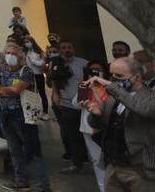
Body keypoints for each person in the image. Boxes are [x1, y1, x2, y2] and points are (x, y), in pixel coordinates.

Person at [82, 56, 155, 191]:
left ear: (137, 77)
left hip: (144, 170)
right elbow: (98, 125)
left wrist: (111, 87)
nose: (113, 80)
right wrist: (96, 114)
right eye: (111, 75)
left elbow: (141, 109)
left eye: (119, 76)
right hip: (114, 167)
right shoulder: (114, 97)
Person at [0, 43, 50, 192]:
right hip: (5, 114)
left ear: (21, 57)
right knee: (14, 150)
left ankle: (43, 186)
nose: (10, 56)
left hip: (23, 115)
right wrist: (7, 91)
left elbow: (17, 89)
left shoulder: (27, 71)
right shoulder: (2, 70)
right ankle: (21, 181)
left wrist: (2, 90)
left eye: (14, 54)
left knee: (33, 150)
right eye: (8, 53)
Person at [53, 39, 90, 174]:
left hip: (84, 105)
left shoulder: (83, 63)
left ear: (73, 49)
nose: (66, 50)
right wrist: (55, 96)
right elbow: (54, 82)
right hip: (67, 105)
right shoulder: (56, 64)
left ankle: (89, 157)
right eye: (63, 48)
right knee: (72, 135)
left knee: (88, 134)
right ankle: (77, 162)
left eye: (69, 47)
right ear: (59, 50)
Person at [78, 60, 108, 191]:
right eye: (92, 70)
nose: (95, 72)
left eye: (98, 70)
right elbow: (77, 102)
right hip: (88, 129)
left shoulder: (110, 86)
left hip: (106, 129)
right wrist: (84, 87)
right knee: (97, 161)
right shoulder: (84, 85)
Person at [22, 36, 48, 119]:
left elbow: (42, 63)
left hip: (38, 75)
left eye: (28, 41)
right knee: (32, 94)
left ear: (32, 41)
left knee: (42, 93)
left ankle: (45, 111)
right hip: (30, 76)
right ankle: (35, 111)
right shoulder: (26, 52)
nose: (27, 43)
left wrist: (32, 60)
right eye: (25, 42)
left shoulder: (39, 51)